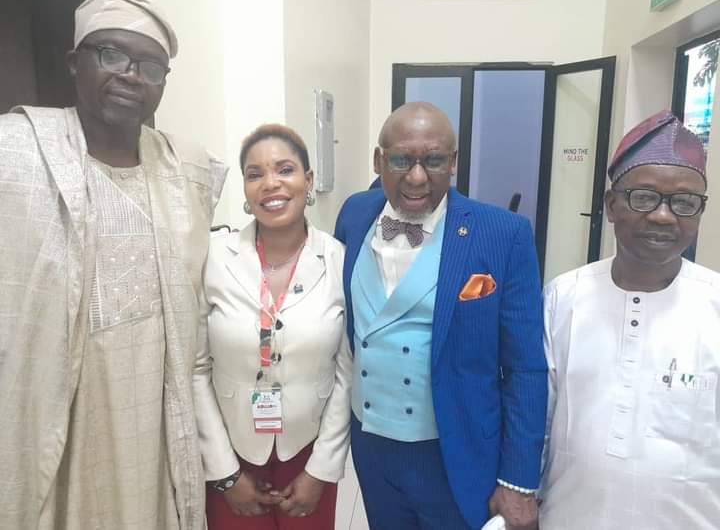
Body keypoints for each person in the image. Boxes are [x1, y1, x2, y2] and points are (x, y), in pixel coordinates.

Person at [0, 0, 227, 529]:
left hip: (158, 409)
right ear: (74, 62)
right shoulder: (15, 153)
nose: (130, 75)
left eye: (150, 66)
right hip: (58, 405)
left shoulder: (189, 170)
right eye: (111, 54)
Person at [334, 102, 547, 530]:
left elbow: (525, 367)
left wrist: (519, 480)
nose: (417, 177)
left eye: (433, 160)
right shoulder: (354, 215)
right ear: (378, 161)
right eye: (401, 160)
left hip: (456, 450)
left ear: (453, 163)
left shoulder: (503, 234)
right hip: (372, 448)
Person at [539, 110, 719, 529]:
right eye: (643, 196)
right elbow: (538, 423)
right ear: (611, 205)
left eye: (684, 202)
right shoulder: (563, 297)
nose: (663, 216)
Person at [194, 124, 352, 530]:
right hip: (232, 448)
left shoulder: (339, 261)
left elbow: (347, 374)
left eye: (285, 169)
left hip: (308, 449)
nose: (270, 183)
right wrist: (224, 472)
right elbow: (195, 369)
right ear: (246, 191)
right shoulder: (213, 258)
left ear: (308, 180)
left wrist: (321, 470)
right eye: (255, 174)